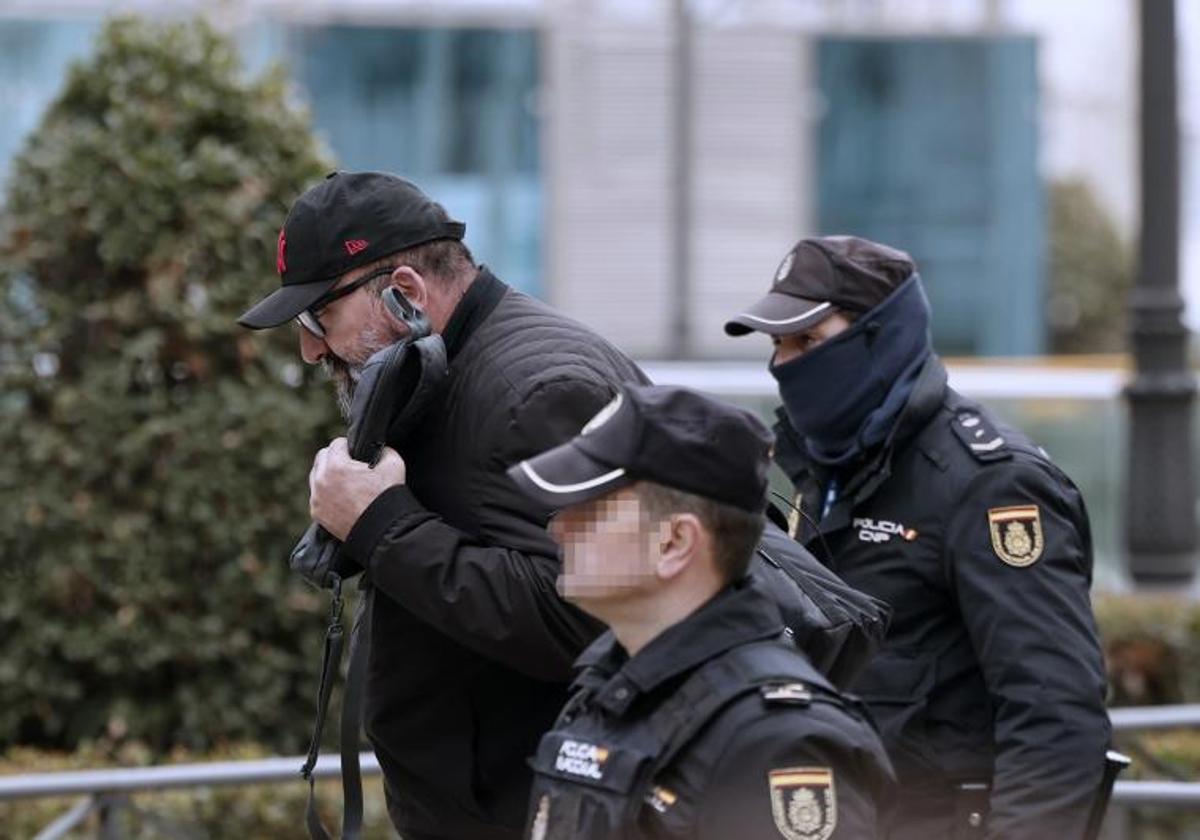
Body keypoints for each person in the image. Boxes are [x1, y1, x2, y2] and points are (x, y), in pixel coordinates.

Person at [237, 170, 647, 840]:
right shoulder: (444, 368)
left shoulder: (536, 389)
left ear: (405, 293)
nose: (311, 348)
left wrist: (380, 523)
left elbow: (590, 619)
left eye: (319, 317)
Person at [723, 235, 1112, 840]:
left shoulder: (991, 484)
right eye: (778, 345)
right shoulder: (821, 470)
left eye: (808, 341)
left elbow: (1055, 718)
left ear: (881, 338)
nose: (784, 365)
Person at [507, 383, 894, 840]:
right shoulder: (608, 688)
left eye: (591, 509)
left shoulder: (779, 741)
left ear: (675, 542)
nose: (559, 528)